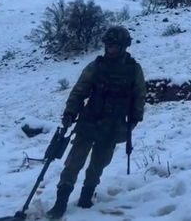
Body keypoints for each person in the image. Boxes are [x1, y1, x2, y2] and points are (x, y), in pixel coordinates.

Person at [46, 26, 146, 219]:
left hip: (114, 125)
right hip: (89, 121)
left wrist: (134, 118)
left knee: (99, 164)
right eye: (108, 45)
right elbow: (79, 90)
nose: (111, 49)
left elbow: (139, 94)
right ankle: (60, 203)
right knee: (73, 163)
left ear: (124, 46)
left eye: (115, 46)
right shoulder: (96, 66)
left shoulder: (134, 69)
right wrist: (70, 112)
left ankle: (86, 197)